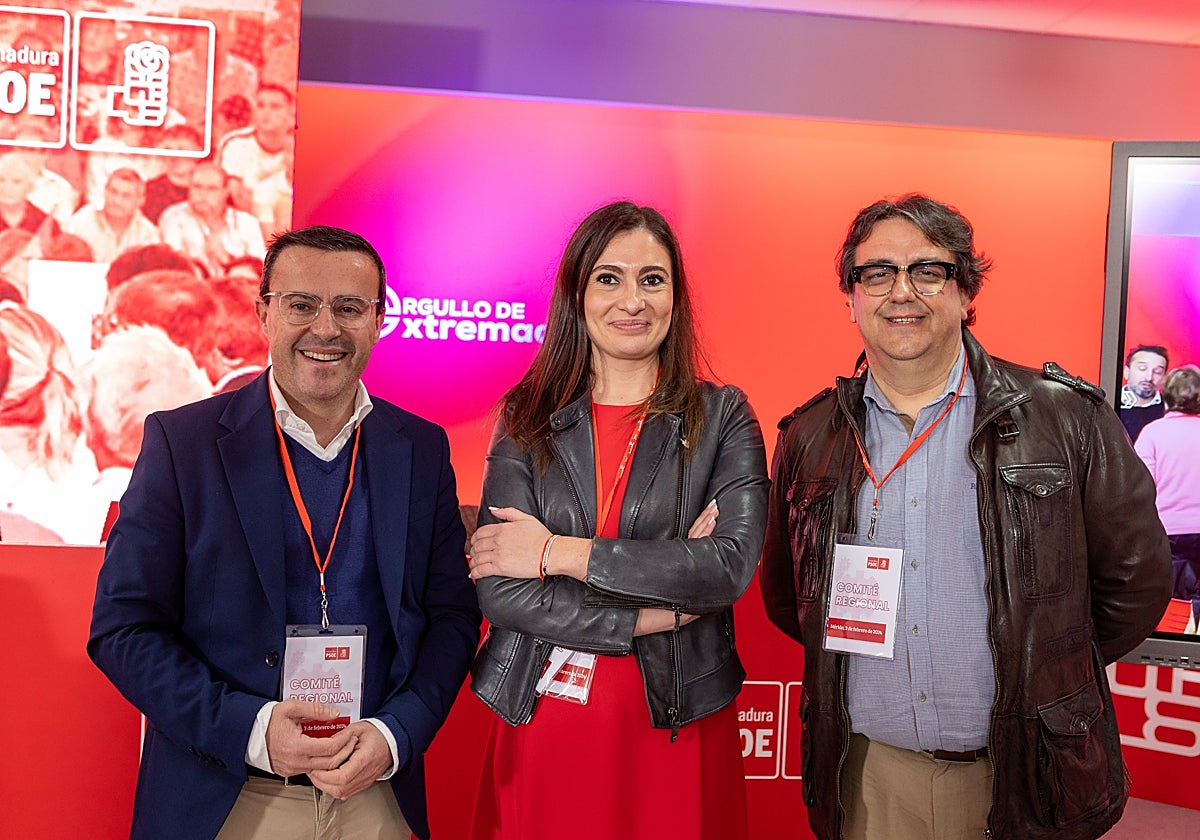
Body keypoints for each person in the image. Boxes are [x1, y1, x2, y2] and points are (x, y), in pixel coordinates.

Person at [759, 194, 1172, 840]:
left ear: (964, 292)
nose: (902, 291)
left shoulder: (1066, 418)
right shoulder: (809, 437)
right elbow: (790, 598)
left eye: (928, 270)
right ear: (852, 298)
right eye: (878, 272)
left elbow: (1137, 583)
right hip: (867, 779)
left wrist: (1047, 660)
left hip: (1024, 775)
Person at [88, 225, 482, 840]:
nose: (326, 329)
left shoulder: (421, 448)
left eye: (349, 308)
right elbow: (123, 628)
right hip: (226, 796)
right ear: (264, 313)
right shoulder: (184, 444)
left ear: (379, 319)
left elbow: (451, 617)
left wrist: (396, 733)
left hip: (374, 798)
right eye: (301, 305)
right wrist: (252, 731)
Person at [467, 201, 769, 840]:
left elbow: (725, 569)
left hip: (677, 720)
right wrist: (653, 611)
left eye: (652, 279)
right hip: (546, 717)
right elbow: (502, 591)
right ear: (577, 293)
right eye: (609, 278)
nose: (632, 301)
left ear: (675, 298)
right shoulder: (526, 416)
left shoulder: (723, 417)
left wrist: (554, 554)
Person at [1135, 365, 1200, 617]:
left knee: (1170, 610)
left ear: (1165, 396)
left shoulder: (1152, 433)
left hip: (1167, 533)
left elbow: (1141, 487)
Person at [158, 162, 266, 275]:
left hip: (236, 284)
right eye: (197, 187)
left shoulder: (247, 223)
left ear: (226, 191)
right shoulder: (173, 217)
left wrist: (226, 259)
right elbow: (174, 266)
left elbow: (259, 269)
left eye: (212, 189)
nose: (203, 194)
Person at [65, 168, 161, 263]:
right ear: (105, 191)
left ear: (140, 200)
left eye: (126, 196)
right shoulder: (82, 221)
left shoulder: (148, 234)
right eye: (113, 192)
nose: (117, 201)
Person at [1120, 344, 1169, 442]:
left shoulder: (1170, 409)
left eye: (1157, 371)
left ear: (1165, 377)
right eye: (1142, 368)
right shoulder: (1107, 403)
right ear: (1126, 372)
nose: (1149, 377)